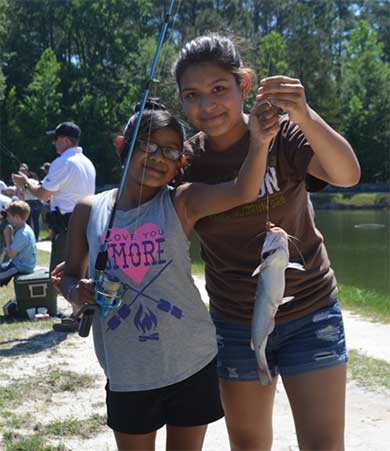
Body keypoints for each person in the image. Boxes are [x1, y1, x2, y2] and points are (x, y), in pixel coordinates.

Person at [172, 35, 361, 451]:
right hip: (236, 323)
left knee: (324, 445)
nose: (207, 106)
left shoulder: (284, 135)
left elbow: (347, 175)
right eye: (192, 95)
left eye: (219, 89)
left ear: (245, 83)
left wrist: (304, 113)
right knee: (249, 444)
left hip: (311, 312)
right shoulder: (187, 163)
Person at [57, 97, 278, 450]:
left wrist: (260, 141)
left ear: (181, 164)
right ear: (122, 147)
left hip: (192, 360)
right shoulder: (87, 210)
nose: (160, 158)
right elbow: (68, 276)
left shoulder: (181, 202)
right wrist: (75, 292)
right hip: (126, 370)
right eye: (148, 146)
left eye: (172, 152)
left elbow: (243, 191)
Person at [12, 122, 96, 331]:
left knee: (61, 275)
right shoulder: (87, 162)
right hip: (89, 225)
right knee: (82, 272)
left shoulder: (63, 162)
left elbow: (42, 194)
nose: (54, 143)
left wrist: (26, 182)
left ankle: (78, 316)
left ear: (66, 140)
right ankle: (80, 314)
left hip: (69, 227)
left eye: (56, 139)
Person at [0, 200, 36, 286]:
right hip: (20, 264)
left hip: (21, 267)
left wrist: (7, 237)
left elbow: (11, 254)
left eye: (8, 216)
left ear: (16, 217)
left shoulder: (22, 234)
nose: (7, 219)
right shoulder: (26, 228)